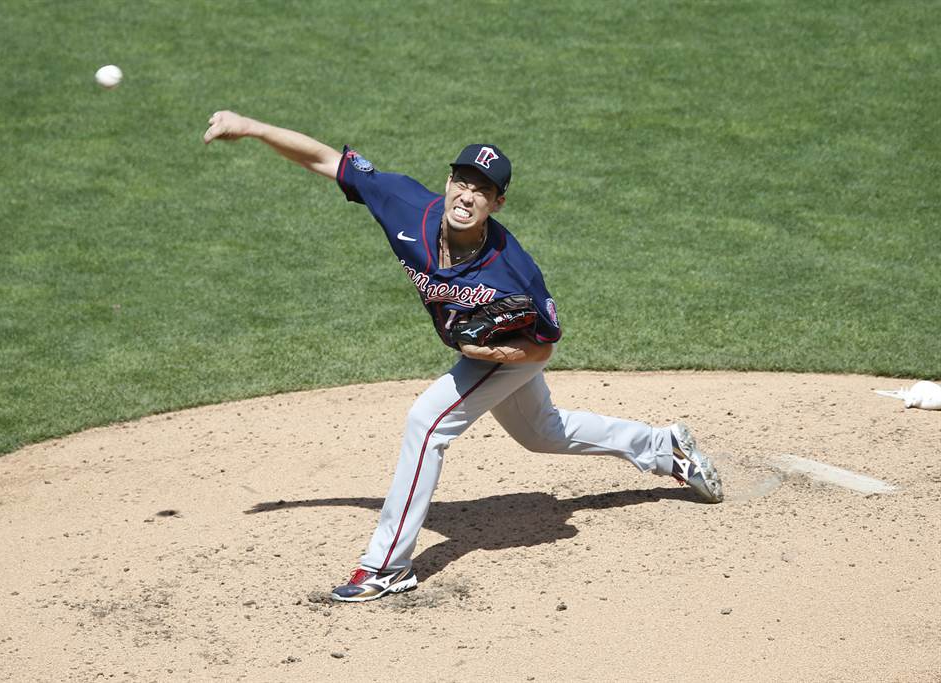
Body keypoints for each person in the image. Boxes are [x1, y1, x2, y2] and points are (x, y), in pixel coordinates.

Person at [203, 111, 724, 603]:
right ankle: (664, 446)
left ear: (496, 203)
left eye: (482, 189)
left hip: (515, 349)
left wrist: (490, 349)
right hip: (486, 348)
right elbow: (325, 160)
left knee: (427, 423)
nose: (467, 194)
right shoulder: (405, 203)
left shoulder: (513, 271)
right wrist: (249, 127)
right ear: (448, 181)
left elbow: (544, 342)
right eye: (463, 180)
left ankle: (387, 566)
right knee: (542, 432)